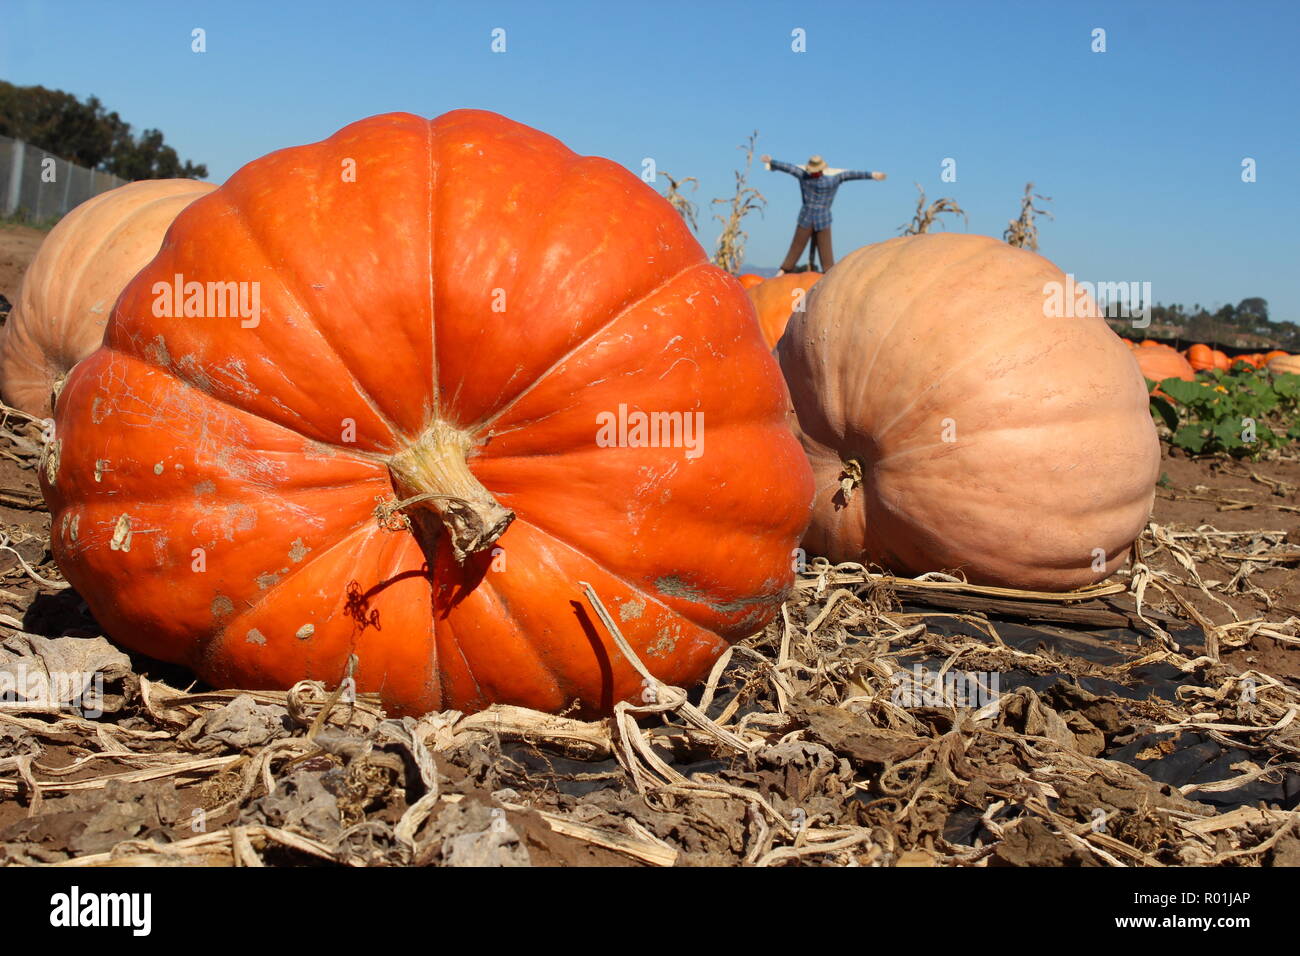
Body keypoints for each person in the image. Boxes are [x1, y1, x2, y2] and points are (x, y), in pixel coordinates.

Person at [761, 154, 885, 274]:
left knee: (795, 250)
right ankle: (827, 275)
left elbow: (790, 168)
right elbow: (850, 175)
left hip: (806, 217)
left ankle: (782, 272)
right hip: (823, 219)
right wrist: (872, 175)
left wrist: (772, 162)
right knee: (826, 256)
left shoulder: (804, 178)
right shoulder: (832, 181)